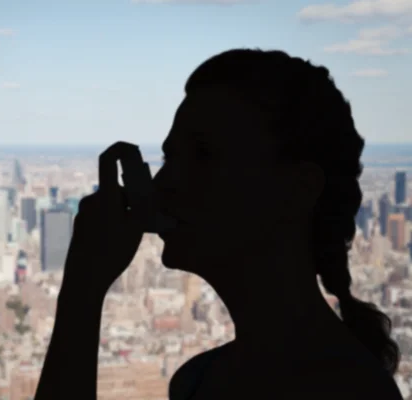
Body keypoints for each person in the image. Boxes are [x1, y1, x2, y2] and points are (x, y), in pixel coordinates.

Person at [34, 48, 404, 399]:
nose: (162, 185)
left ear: (296, 190)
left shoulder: (334, 393)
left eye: (203, 156)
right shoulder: (203, 379)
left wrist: (82, 290)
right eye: (169, 158)